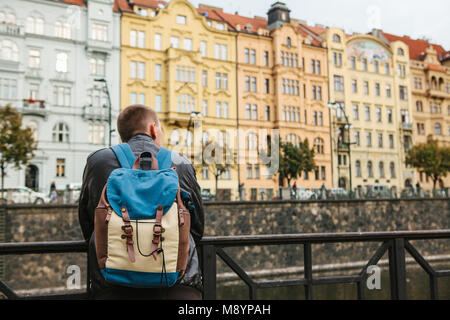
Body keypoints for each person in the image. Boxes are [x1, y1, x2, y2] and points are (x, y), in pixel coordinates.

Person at [78, 105, 205, 300]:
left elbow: (87, 220)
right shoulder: (181, 163)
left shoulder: (98, 161)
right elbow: (196, 227)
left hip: (113, 283)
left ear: (122, 137)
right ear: (154, 129)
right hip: (176, 284)